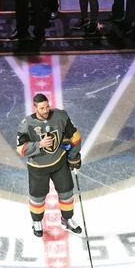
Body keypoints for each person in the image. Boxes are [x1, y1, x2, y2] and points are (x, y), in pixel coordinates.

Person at [16, 93, 83, 237]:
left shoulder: (60, 116)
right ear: (35, 108)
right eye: (42, 108)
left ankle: (67, 219)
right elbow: (21, 148)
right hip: (38, 168)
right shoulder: (26, 124)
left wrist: (73, 155)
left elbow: (75, 137)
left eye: (47, 107)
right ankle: (37, 222)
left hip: (59, 163)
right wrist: (39, 144)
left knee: (66, 193)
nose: (46, 110)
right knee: (37, 197)